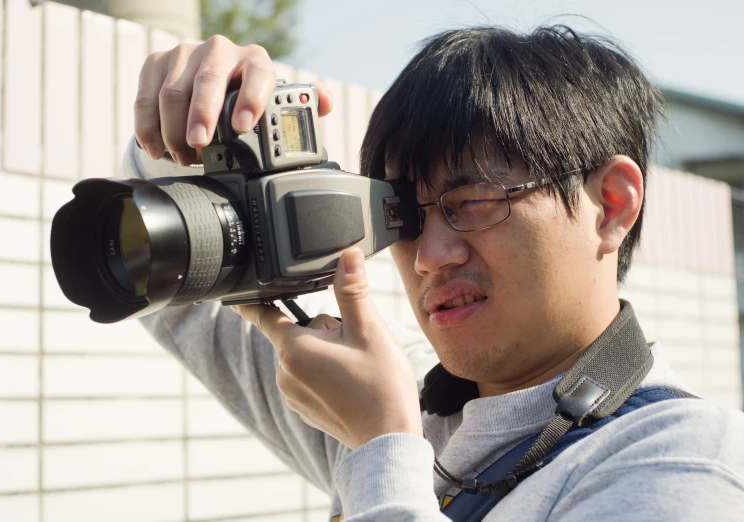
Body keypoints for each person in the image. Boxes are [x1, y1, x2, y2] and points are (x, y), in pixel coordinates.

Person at [126, 25, 744, 520]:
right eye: (405, 217)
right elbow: (183, 279)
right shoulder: (399, 397)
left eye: (472, 202)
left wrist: (381, 452)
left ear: (611, 205)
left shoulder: (685, 460)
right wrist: (193, 110)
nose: (429, 254)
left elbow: (382, 438)